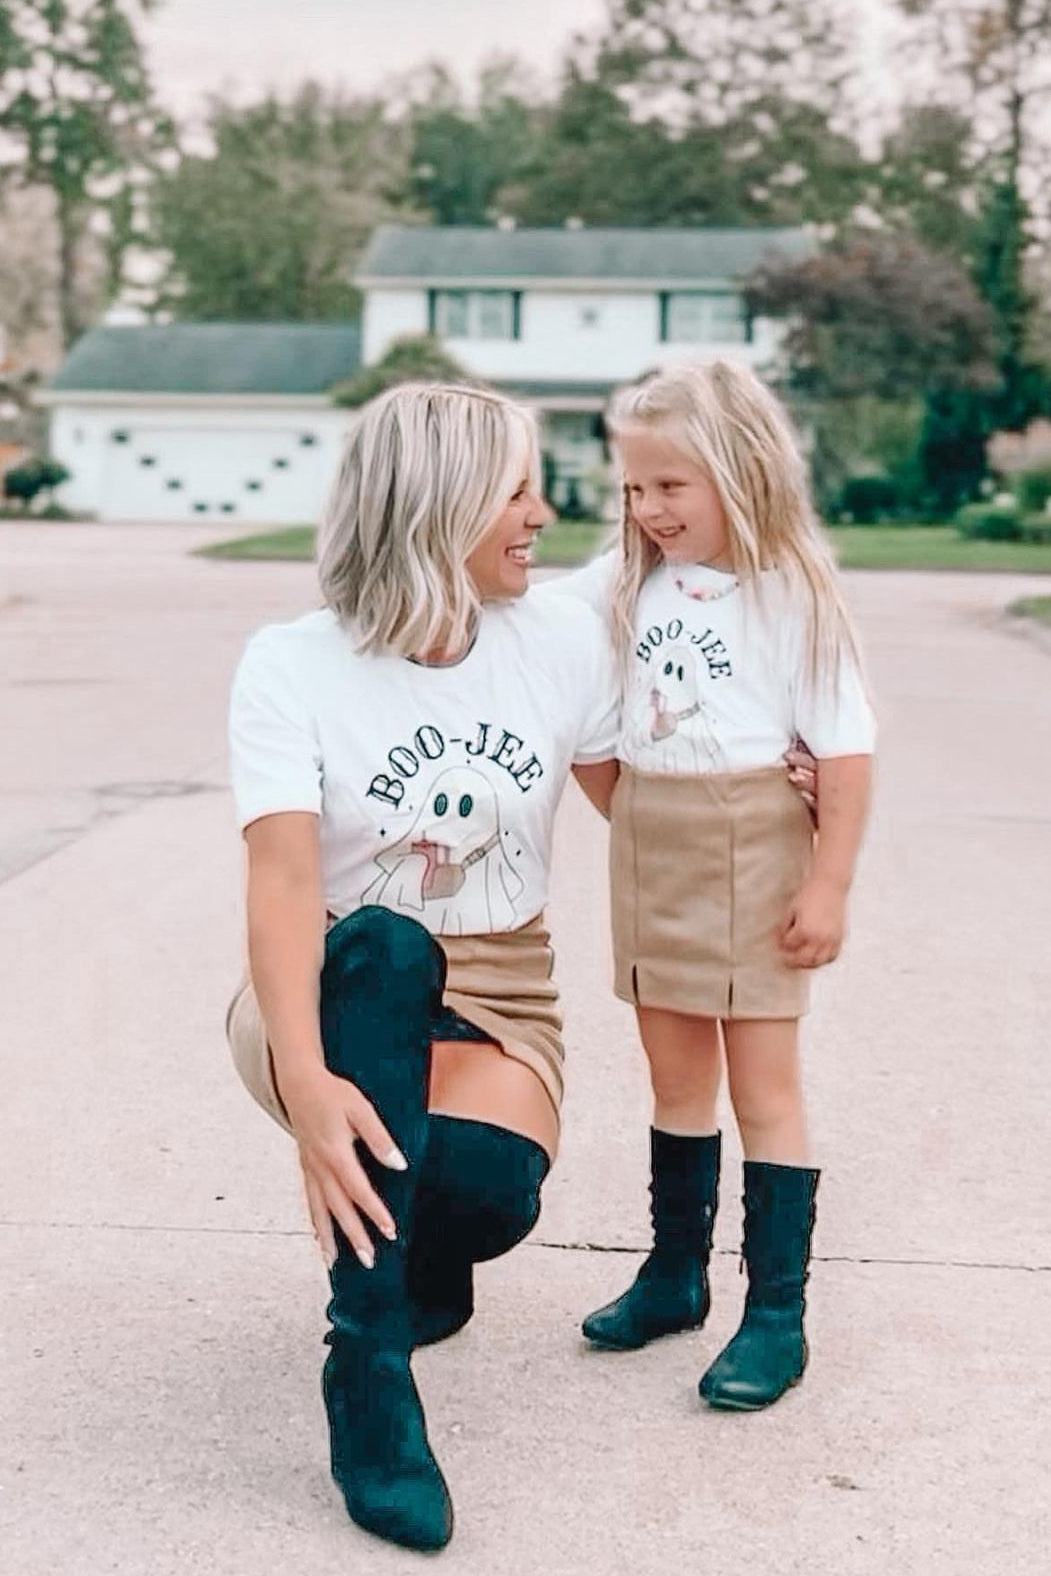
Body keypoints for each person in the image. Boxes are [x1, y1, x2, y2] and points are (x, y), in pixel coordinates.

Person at [224, 382, 621, 1551]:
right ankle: (370, 1365)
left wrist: (779, 795)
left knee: (497, 1191)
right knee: (391, 944)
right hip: (333, 981)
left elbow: (637, 813)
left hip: (501, 983)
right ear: (436, 504)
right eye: (514, 487)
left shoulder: (556, 641)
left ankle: (422, 1259)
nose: (541, 512)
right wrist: (305, 1083)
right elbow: (287, 886)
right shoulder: (292, 664)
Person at [556, 359, 875, 1411]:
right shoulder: (622, 579)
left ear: (739, 470)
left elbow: (845, 751)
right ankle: (673, 1274)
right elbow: (581, 711)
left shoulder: (793, 592)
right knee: (676, 1078)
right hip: (655, 837)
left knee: (763, 1087)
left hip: (758, 845)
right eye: (634, 488)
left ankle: (775, 1314)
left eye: (669, 487)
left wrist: (827, 882)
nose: (647, 508)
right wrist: (643, 822)